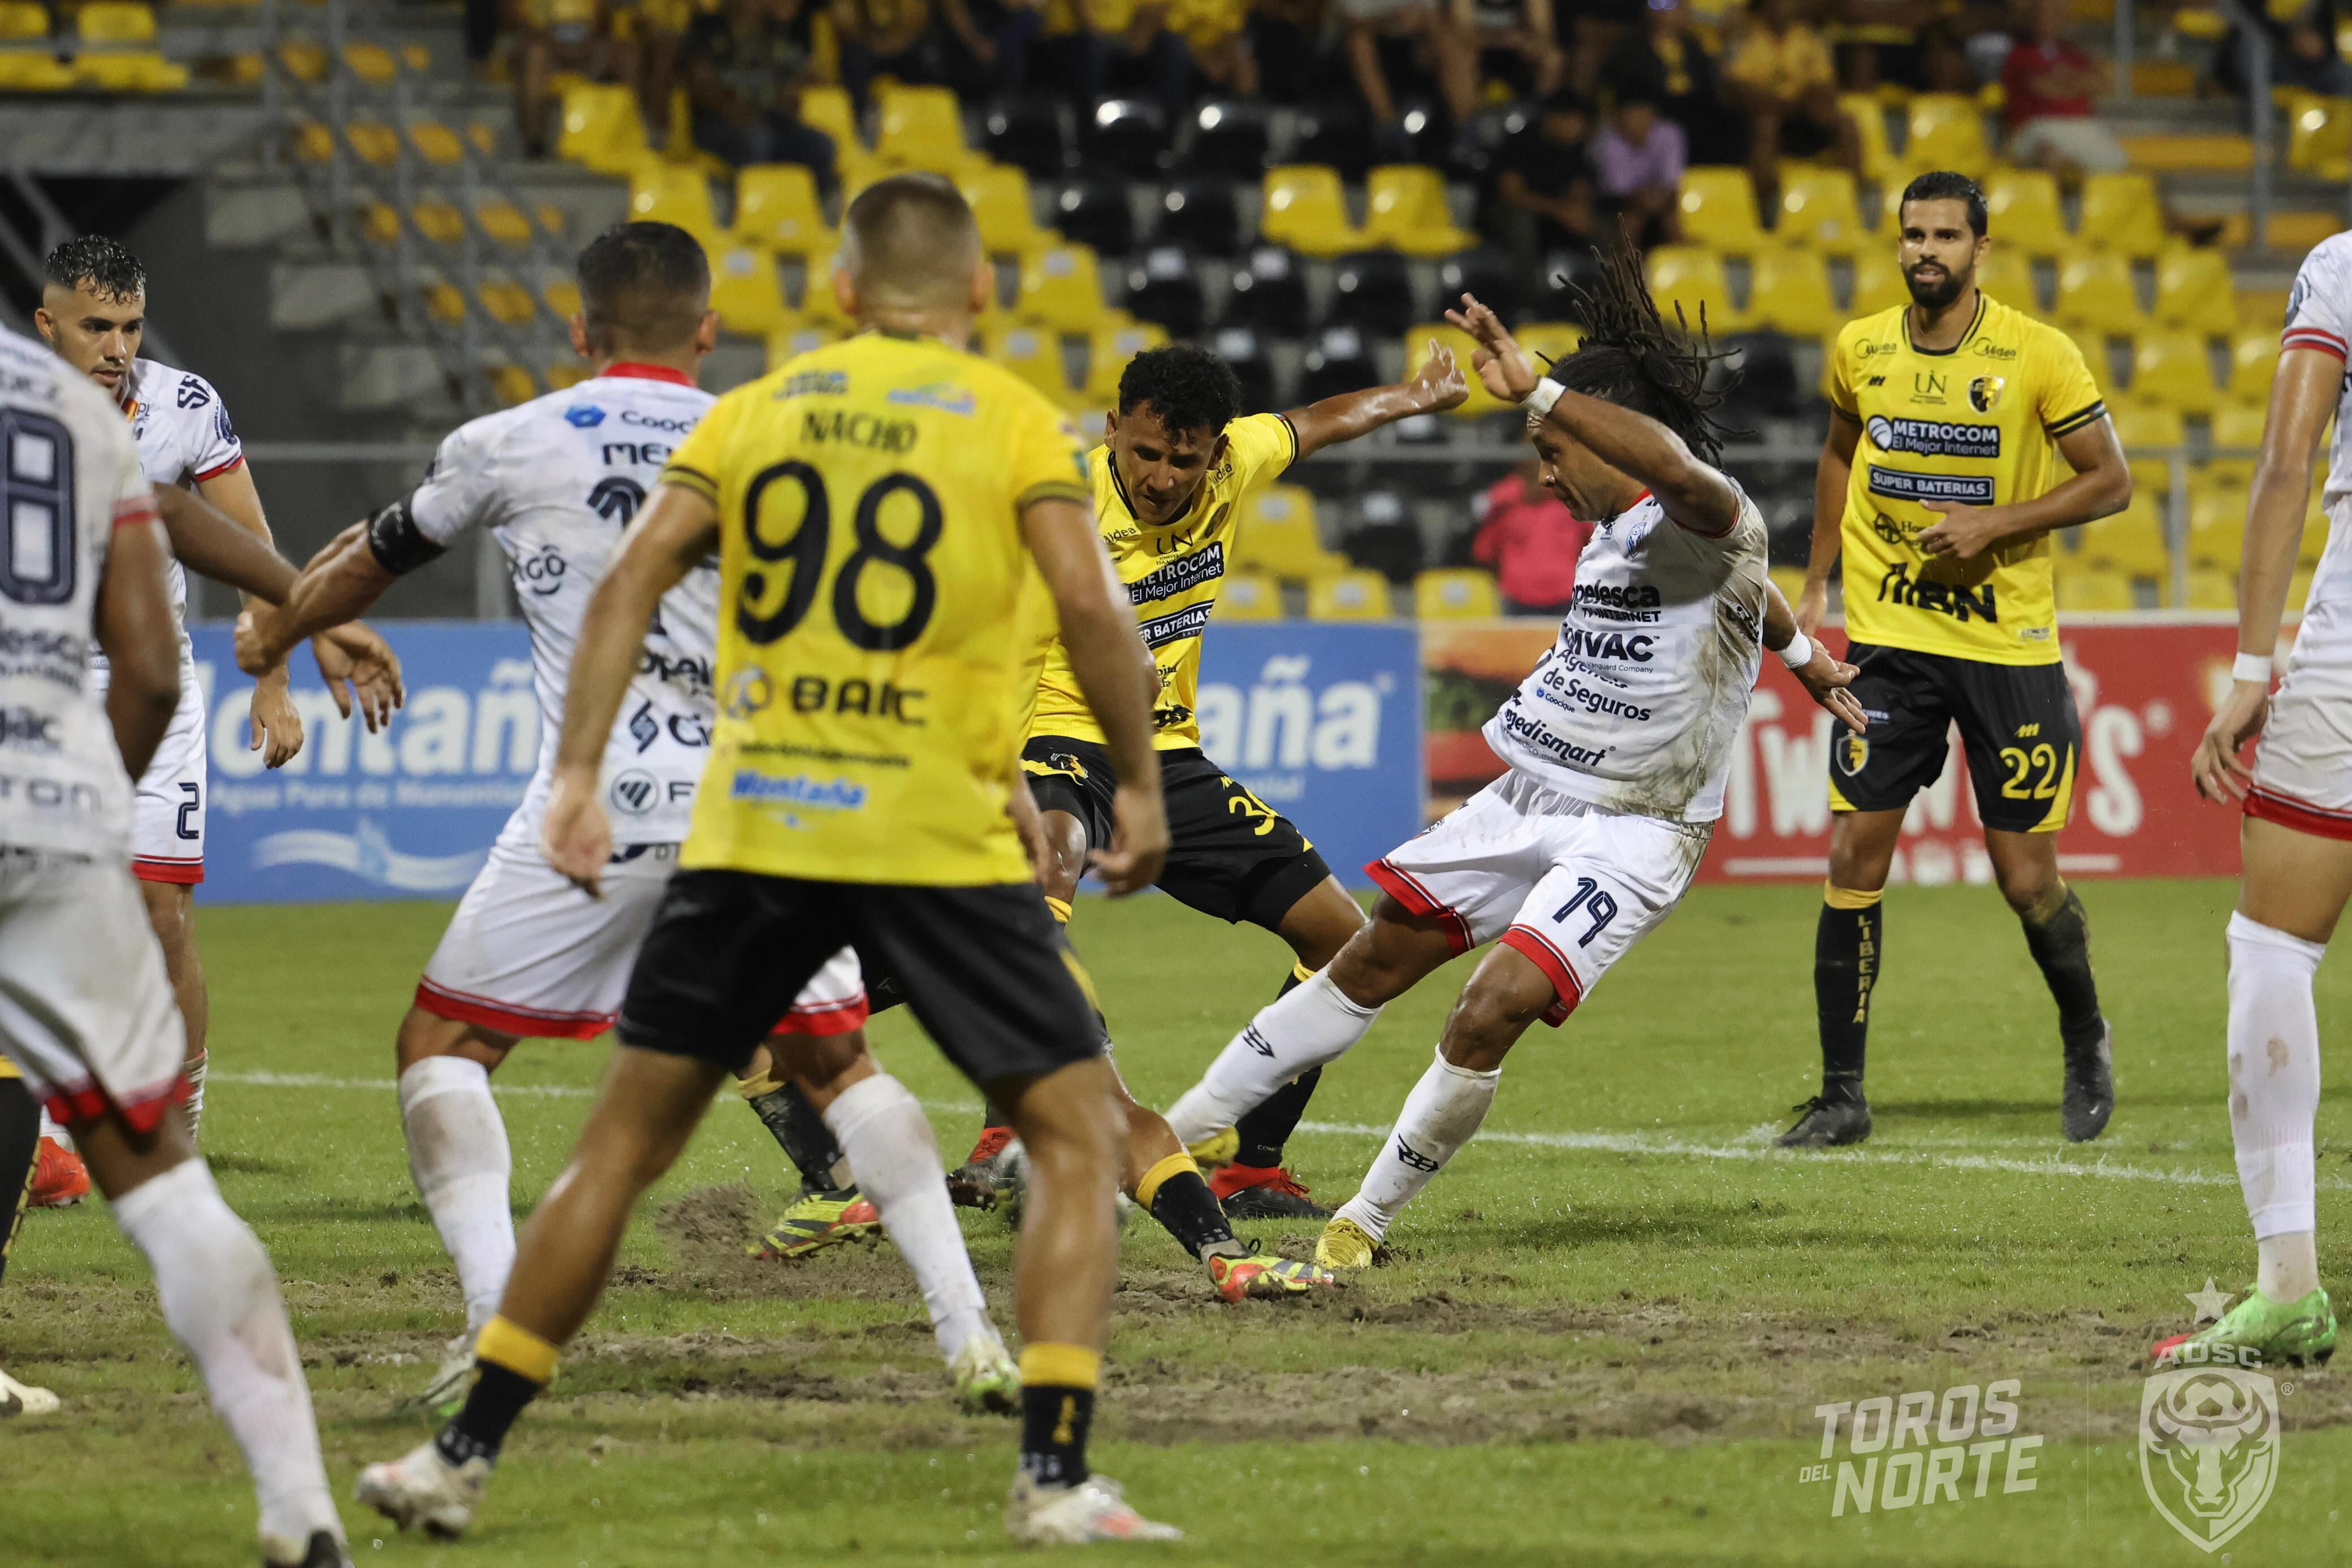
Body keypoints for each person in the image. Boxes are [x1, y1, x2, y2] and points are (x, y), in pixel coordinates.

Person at [353, 175, 1184, 1545]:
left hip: (761, 820)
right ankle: (1054, 1475)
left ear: (839, 293)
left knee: (623, 1142)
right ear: (980, 292)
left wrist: (573, 775)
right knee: (1069, 1129)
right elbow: (1093, 607)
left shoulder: (756, 415)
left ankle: (459, 1455)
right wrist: (1135, 786)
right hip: (925, 824)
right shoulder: (1013, 425)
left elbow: (631, 585)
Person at [233, 222, 1019, 1418]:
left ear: (577, 329)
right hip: (769, 800)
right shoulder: (778, 430)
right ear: (708, 330)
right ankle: (971, 1335)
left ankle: (498, 1325)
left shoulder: (508, 438)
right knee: (838, 1061)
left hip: (593, 800)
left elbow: (373, 560)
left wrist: (279, 633)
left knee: (442, 1047)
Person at [1159, 257, 1867, 1266]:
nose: (1543, 473)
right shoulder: (1621, 531)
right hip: (1530, 793)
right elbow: (1756, 596)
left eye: (1551, 451)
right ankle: (1166, 1143)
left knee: (1490, 1007)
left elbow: (1691, 489)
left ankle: (1365, 1219)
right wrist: (1802, 658)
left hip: (1637, 828)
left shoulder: (1709, 512)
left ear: (1598, 432)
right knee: (1364, 958)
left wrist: (1540, 390)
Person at [942, 340, 1469, 1224]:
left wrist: (1416, 395)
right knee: (1048, 869)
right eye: (1144, 452)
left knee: (1348, 941)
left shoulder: (1236, 464)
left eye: (1184, 459)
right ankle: (1010, 1129)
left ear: (1216, 453)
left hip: (1165, 755)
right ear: (1113, 430)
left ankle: (1252, 1166)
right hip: (1053, 737)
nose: (1160, 476)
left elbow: (1318, 423)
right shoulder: (1061, 497)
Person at [0, 320, 352, 1566]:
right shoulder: (55, 407)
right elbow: (151, 653)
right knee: (160, 1178)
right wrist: (313, 601)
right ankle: (302, 1504)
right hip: (43, 793)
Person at [1778, 170, 2133, 1149]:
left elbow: (2112, 481)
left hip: (2008, 647)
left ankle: (2083, 1030)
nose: (1925, 250)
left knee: (2027, 878)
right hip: (1891, 643)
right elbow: (1840, 453)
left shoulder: (2038, 354)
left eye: (1945, 235)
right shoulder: (1862, 348)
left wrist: (1997, 523)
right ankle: (1843, 1093)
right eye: (1913, 235)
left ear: (1982, 249)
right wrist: (1817, 581)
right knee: (1854, 856)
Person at [32, 236, 399, 1158]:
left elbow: (247, 538)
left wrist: (273, 674)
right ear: (47, 326)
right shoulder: (15, 409)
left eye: (130, 325)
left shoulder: (185, 405)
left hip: (156, 685)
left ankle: (180, 1117)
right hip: (33, 691)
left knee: (161, 913)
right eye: (94, 327)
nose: (117, 346)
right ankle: (38, 1128)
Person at [2164, 231, 2352, 1368]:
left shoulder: (2343, 263)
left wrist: (2247, 671)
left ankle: (2286, 1285)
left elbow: (2288, 461)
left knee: (2274, 942)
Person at [680, 0, 838, 188]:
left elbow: (810, 73)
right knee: (757, 140)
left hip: (768, 119)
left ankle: (814, 210)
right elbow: (697, 82)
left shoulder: (773, 30)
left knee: (820, 145)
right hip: (719, 121)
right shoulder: (707, 27)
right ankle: (751, 206)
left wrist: (793, 89)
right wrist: (730, 109)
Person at [1723, 0, 1857, 209]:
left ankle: (1853, 201)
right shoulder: (1747, 37)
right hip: (1761, 115)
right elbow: (1739, 87)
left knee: (1847, 123)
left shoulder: (1809, 38)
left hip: (1802, 113)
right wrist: (1775, 104)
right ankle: (1762, 208)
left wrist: (1804, 100)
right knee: (1766, 125)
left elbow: (1825, 85)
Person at [2000, 0, 2125, 175]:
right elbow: (2046, 90)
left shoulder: (2073, 54)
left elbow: (2103, 85)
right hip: (2036, 127)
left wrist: (2066, 80)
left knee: (2118, 165)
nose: (2055, 18)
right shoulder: (2020, 55)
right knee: (2050, 155)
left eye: (2058, 13)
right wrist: (2078, 83)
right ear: (2033, 17)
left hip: (2081, 125)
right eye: (2048, 13)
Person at [1493, 89, 1598, 274]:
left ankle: (1590, 284)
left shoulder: (1576, 151)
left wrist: (1578, 210)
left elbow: (1580, 189)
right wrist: (1559, 211)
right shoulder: (1520, 143)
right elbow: (1512, 195)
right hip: (1513, 216)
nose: (1579, 127)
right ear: (1553, 117)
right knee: (1522, 224)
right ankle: (1529, 293)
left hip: (1553, 216)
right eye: (1574, 120)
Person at [1340, 0, 1479, 135]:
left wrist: (1419, 21)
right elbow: (1351, 19)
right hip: (1379, 45)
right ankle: (1390, 127)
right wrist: (1389, 20)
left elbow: (1432, 13)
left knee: (1448, 39)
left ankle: (1468, 126)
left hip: (1418, 44)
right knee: (1358, 41)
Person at [1473, 458, 1590, 616]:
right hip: (1519, 596)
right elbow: (1484, 551)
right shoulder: (1506, 507)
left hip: (1563, 595)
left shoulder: (1572, 504)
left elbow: (1592, 544)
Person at [1590, 90, 1684, 250]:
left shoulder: (1670, 133)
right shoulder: (1607, 141)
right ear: (1619, 118)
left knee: (1675, 219)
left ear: (1653, 116)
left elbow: (1672, 182)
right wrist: (1651, 201)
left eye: (1643, 115)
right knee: (1630, 223)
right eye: (1631, 116)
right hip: (1614, 203)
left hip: (1660, 200)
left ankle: (1682, 271)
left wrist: (1657, 200)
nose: (1637, 122)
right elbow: (1619, 190)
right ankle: (1628, 274)